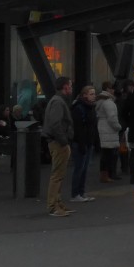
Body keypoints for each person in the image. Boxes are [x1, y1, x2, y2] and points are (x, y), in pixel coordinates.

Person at [42, 77, 75, 216]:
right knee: (57, 175)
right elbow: (55, 124)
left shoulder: (57, 101)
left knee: (59, 174)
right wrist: (64, 140)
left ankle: (58, 203)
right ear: (65, 87)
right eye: (70, 86)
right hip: (58, 142)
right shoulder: (58, 102)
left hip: (58, 141)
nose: (72, 88)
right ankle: (53, 206)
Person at [70, 85, 98, 203]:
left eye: (94, 94)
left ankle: (81, 192)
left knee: (84, 168)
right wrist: (82, 143)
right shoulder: (79, 108)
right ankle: (76, 193)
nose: (93, 96)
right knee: (79, 168)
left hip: (88, 141)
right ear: (85, 95)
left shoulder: (91, 107)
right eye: (91, 94)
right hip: (81, 142)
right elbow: (78, 128)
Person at [96, 84, 122, 183]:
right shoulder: (109, 102)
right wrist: (118, 127)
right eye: (112, 89)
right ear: (108, 89)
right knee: (111, 154)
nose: (113, 91)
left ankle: (104, 175)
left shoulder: (100, 101)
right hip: (109, 130)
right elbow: (112, 118)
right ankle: (110, 174)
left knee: (104, 155)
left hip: (102, 128)